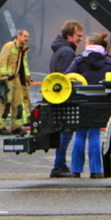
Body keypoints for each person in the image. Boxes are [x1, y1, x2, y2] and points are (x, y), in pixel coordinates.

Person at [66, 33, 111, 178]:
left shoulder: (79, 60)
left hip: (81, 101)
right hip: (100, 102)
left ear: (90, 44)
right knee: (95, 135)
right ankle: (96, 171)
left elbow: (68, 77)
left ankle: (76, 170)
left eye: (86, 43)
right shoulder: (109, 61)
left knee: (80, 134)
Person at [48, 20, 84, 178]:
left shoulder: (59, 50)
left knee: (64, 131)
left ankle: (60, 165)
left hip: (57, 97)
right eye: (78, 36)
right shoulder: (68, 52)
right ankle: (59, 165)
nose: (81, 39)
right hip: (65, 98)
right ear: (69, 36)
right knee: (66, 131)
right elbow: (66, 78)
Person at [0, 29, 32, 135]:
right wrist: (3, 75)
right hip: (8, 79)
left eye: (28, 37)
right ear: (18, 36)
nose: (27, 39)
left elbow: (24, 65)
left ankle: (16, 127)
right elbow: (3, 60)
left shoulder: (23, 49)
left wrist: (27, 77)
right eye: (25, 36)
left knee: (18, 104)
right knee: (6, 103)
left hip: (17, 79)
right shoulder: (9, 46)